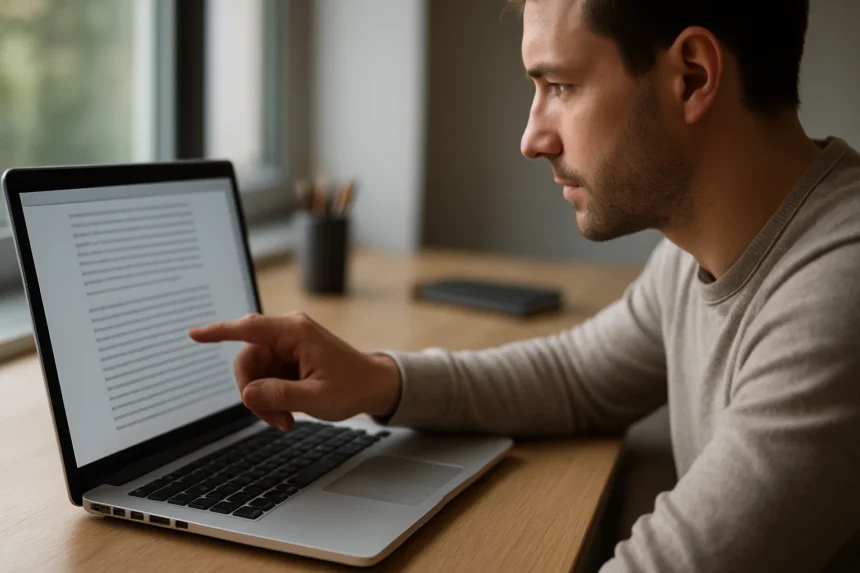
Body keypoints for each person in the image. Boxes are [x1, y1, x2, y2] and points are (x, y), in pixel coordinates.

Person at [189, 0, 860, 571]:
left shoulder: (838, 294)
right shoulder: (697, 253)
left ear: (691, 76)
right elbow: (577, 376)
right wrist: (376, 379)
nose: (532, 137)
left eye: (560, 86)